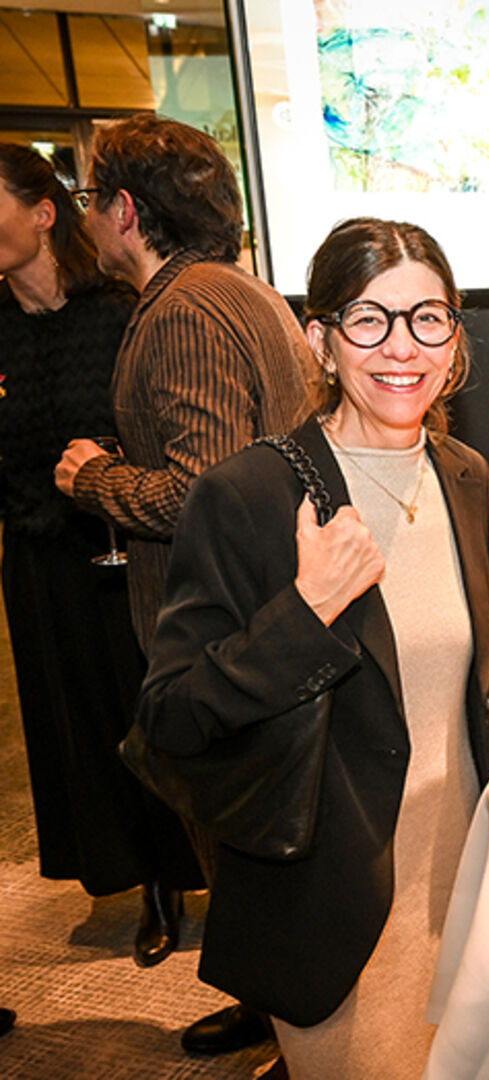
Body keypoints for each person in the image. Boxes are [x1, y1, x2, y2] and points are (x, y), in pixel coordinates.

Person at [135, 218, 489, 1079]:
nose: (401, 347)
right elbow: (171, 715)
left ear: (453, 338)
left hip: (463, 887)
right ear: (321, 339)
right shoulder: (252, 494)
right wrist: (306, 611)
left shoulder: (463, 474)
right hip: (334, 905)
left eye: (427, 318)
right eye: (369, 320)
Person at [51, 113, 308, 1056]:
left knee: (241, 827)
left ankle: (291, 1027)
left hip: (224, 626)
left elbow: (211, 485)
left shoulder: (186, 308)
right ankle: (273, 1005)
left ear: (125, 210)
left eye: (88, 199)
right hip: (269, 614)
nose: (88, 219)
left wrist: (97, 482)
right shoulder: (245, 295)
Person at [0, 144, 201, 967]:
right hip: (36, 557)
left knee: (140, 714)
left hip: (123, 550)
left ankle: (169, 877)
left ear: (43, 214)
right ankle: (122, 868)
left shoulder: (122, 313)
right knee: (70, 720)